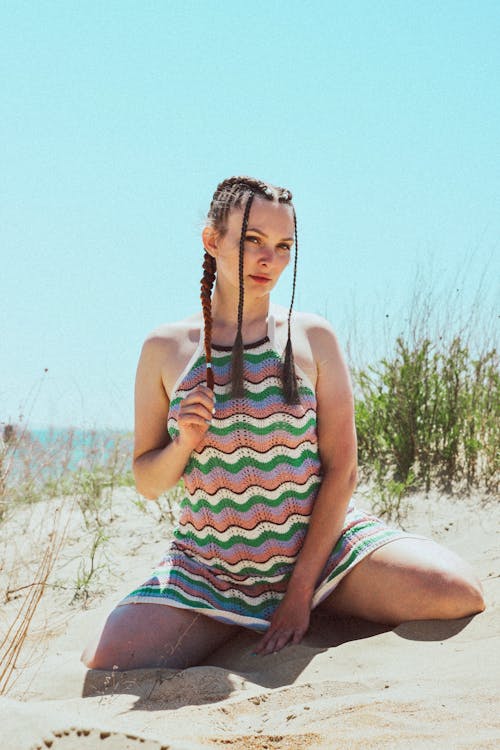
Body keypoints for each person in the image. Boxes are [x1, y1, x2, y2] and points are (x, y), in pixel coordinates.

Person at [82, 176, 485, 671]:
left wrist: (299, 595)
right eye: (252, 241)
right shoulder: (166, 349)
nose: (268, 259)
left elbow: (344, 470)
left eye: (283, 246)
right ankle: (231, 616)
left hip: (325, 556)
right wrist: (183, 442)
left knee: (457, 591)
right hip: (210, 569)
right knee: (107, 660)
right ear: (213, 240)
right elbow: (148, 480)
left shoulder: (313, 337)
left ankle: (328, 599)